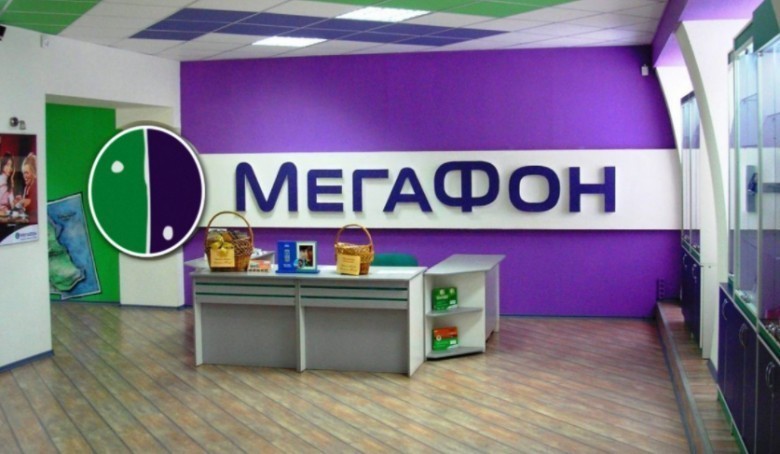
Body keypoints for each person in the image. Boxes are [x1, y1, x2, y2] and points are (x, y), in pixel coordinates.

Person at [14, 153, 36, 222]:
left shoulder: (36, 187)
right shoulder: (27, 187)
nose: (24, 176)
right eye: (23, 173)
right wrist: (21, 200)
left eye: (27, 173)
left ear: (34, 172)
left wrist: (24, 202)